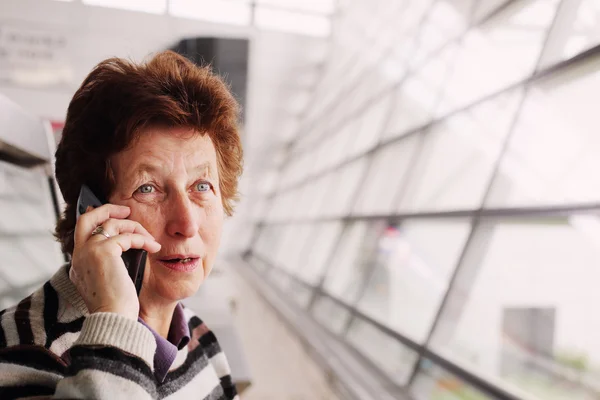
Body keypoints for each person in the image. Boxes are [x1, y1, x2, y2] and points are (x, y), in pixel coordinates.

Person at [0, 50, 243, 399]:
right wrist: (115, 318)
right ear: (93, 211)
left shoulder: (196, 334)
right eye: (148, 189)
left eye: (201, 186)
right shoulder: (23, 355)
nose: (187, 224)